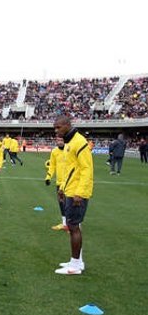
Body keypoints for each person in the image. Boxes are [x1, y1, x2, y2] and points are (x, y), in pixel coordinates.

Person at [53, 115, 93, 275]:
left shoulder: (79, 142)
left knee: (73, 227)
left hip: (77, 192)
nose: (56, 131)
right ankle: (77, 261)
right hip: (70, 189)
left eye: (59, 127)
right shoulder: (69, 142)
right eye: (55, 128)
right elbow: (70, 169)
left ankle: (75, 266)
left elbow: (86, 169)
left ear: (68, 125)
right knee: (74, 226)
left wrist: (80, 193)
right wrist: (62, 188)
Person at [45, 137, 67, 231]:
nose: (59, 142)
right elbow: (52, 166)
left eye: (61, 140)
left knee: (71, 204)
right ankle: (64, 224)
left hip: (70, 182)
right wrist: (48, 177)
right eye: (58, 140)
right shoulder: (54, 152)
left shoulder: (69, 149)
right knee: (61, 202)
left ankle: (75, 224)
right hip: (59, 182)